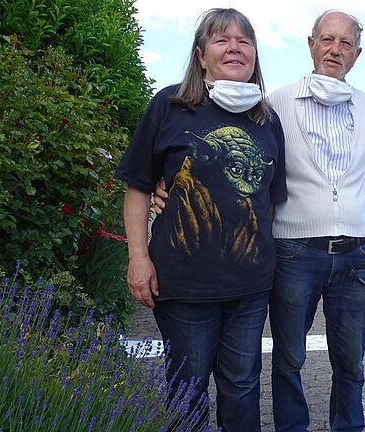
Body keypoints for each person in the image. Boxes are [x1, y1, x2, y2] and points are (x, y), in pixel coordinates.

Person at [154, 9, 365, 431]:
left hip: (356, 252)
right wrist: (173, 187)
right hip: (295, 251)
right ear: (310, 45)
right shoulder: (276, 101)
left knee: (351, 360)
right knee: (288, 359)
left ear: (356, 54)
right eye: (326, 39)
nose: (334, 50)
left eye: (344, 43)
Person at [115, 8, 286, 431]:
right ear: (201, 55)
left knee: (243, 385)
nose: (234, 48)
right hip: (185, 285)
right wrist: (138, 258)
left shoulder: (267, 119)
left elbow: (271, 199)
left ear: (255, 56)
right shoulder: (170, 106)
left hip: (249, 287)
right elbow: (138, 186)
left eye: (244, 41)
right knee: (187, 390)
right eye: (222, 40)